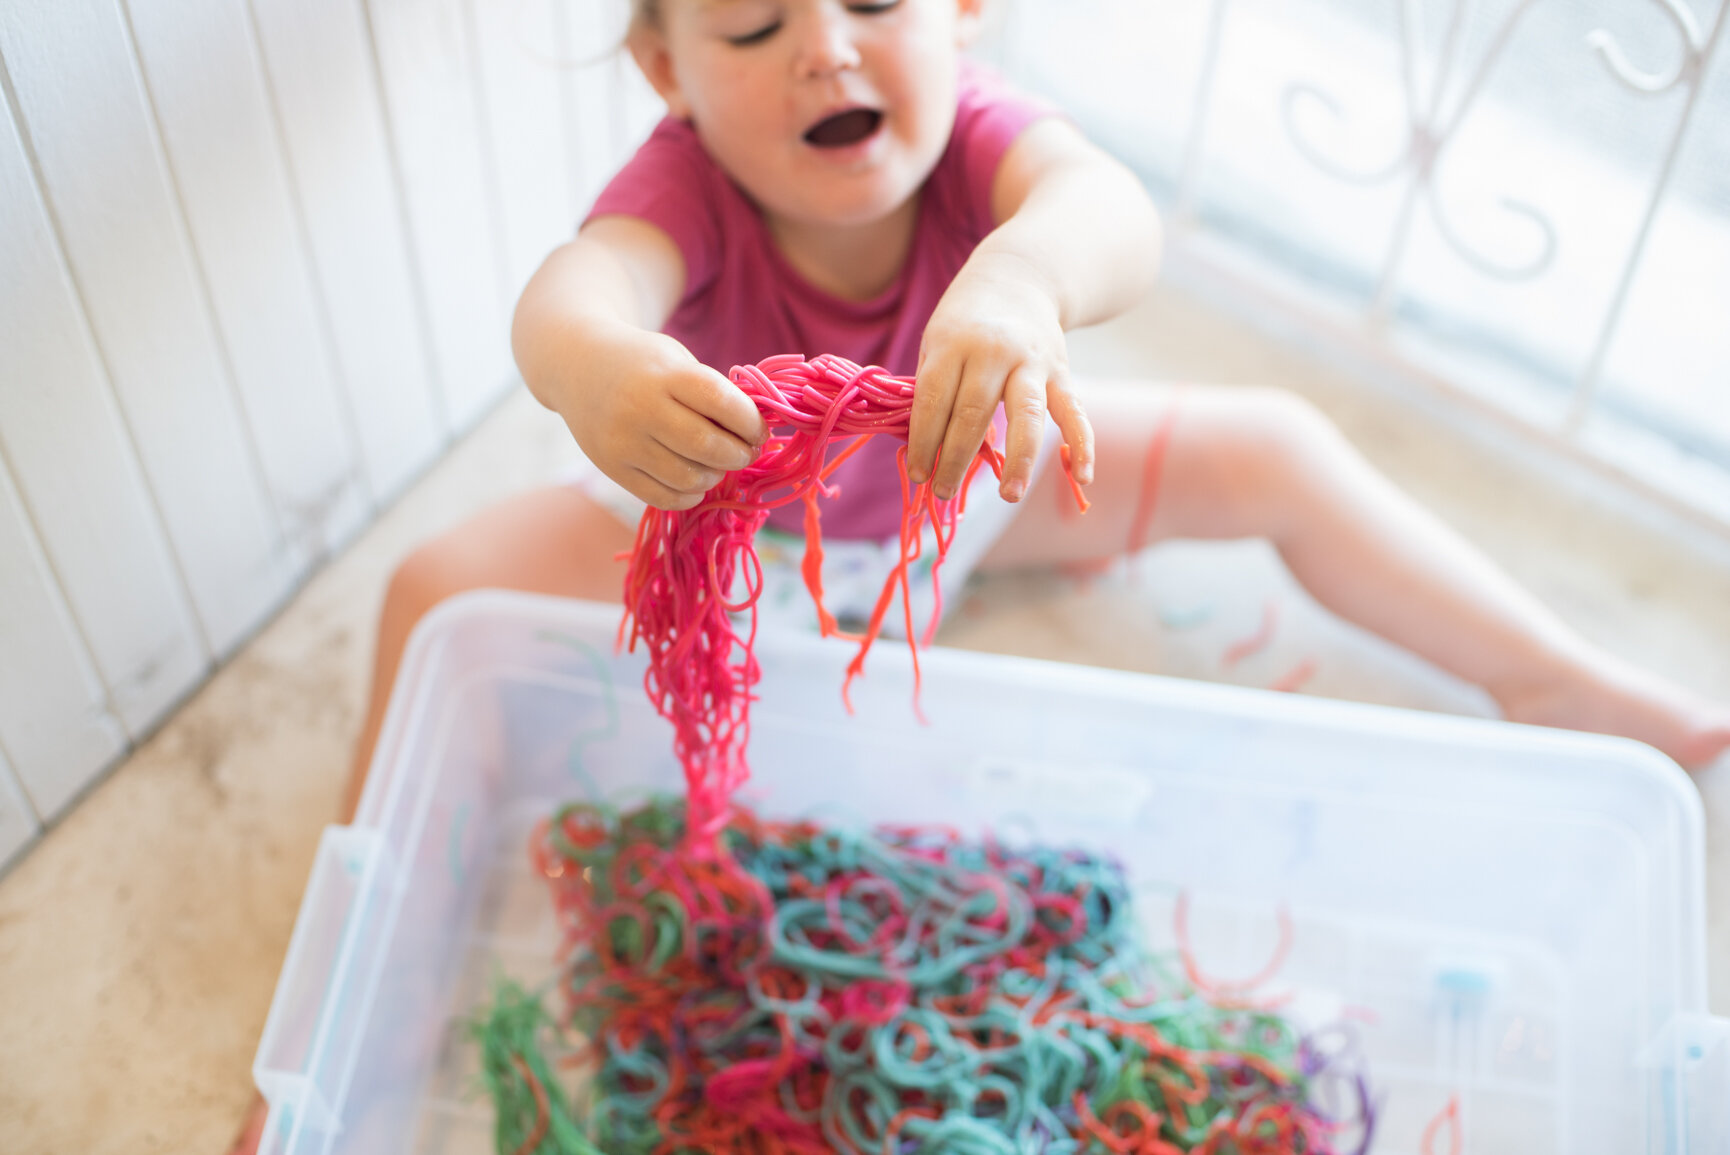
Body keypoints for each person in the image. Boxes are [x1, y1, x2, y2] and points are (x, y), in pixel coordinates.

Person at [225, 3, 1729, 1145]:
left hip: (963, 497)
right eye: (750, 21)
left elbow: (1109, 218)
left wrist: (1018, 281)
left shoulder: (990, 149)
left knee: (1268, 445)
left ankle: (1553, 676)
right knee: (438, 584)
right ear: (667, 73)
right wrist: (599, 373)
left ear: (959, 15)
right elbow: (576, 293)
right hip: (727, 538)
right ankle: (382, 964)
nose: (824, 46)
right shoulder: (682, 191)